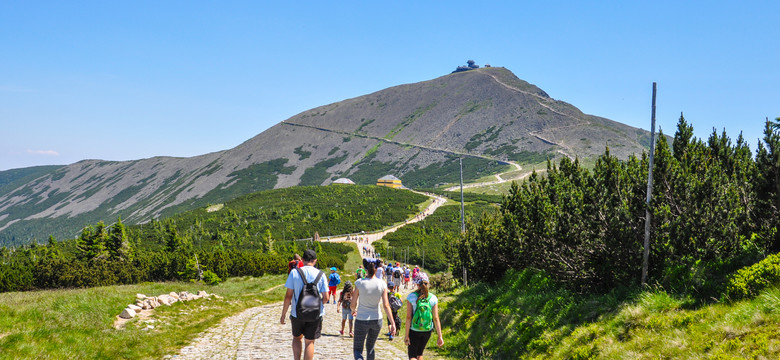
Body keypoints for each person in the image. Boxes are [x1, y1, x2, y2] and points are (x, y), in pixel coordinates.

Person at [280, 249, 330, 360]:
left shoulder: (294, 273)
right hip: (315, 314)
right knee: (309, 341)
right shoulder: (321, 274)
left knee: (297, 338)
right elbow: (326, 298)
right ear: (315, 260)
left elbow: (288, 296)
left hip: (297, 313)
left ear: (302, 260)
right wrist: (318, 305)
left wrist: (283, 314)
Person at [351, 258, 396, 360]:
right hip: (376, 319)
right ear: (376, 269)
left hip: (361, 318)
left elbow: (353, 303)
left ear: (365, 269)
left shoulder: (359, 283)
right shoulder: (382, 284)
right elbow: (386, 305)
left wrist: (353, 310)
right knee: (370, 347)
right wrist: (392, 323)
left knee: (358, 349)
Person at [404, 273, 443, 360]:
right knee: (420, 353)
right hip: (427, 330)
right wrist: (440, 336)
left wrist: (406, 335)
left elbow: (408, 317)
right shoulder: (433, 298)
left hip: (414, 329)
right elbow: (436, 318)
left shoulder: (411, 297)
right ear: (428, 283)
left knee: (412, 355)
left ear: (417, 284)